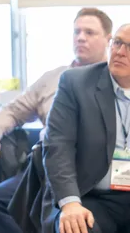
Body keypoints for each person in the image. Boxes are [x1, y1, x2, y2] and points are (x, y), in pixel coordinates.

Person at [0, 8, 112, 233]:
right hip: (49, 167)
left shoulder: (115, 78)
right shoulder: (54, 79)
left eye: (90, 32)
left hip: (97, 171)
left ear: (108, 39)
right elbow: (14, 110)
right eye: (77, 32)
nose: (81, 37)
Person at [43, 23, 130, 233]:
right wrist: (70, 203)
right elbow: (57, 146)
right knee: (77, 228)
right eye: (117, 42)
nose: (119, 52)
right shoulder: (77, 83)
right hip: (88, 196)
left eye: (129, 46)